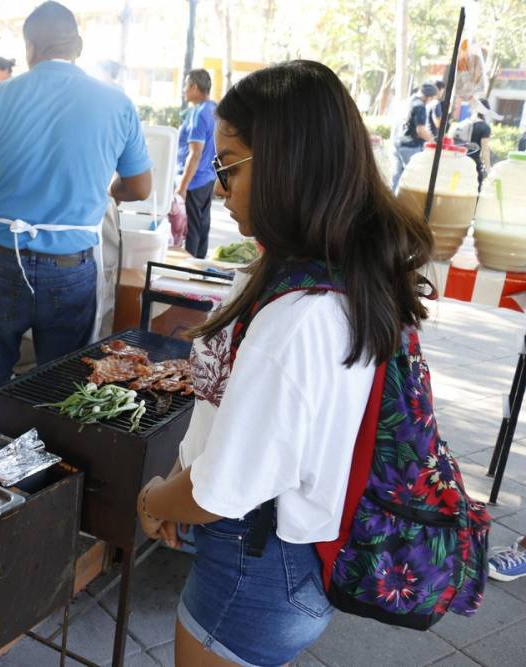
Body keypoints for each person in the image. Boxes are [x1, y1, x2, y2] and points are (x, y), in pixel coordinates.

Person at [136, 60, 435, 666]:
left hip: (254, 565)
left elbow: (222, 489)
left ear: (285, 165)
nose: (219, 188)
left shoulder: (298, 316)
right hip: (285, 560)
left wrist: (156, 500)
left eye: (228, 166)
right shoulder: (336, 269)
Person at [0, 1, 152, 429]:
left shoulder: (0, 96)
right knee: (60, 380)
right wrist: (109, 193)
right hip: (72, 268)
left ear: (29, 47)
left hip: (4, 258)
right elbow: (139, 187)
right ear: (78, 45)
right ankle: (49, 473)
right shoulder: (116, 102)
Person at [175, 69, 216, 258]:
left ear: (194, 87)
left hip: (194, 182)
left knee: (191, 231)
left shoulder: (198, 113)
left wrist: (182, 187)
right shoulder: (214, 109)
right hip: (208, 179)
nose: (183, 90)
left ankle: (188, 274)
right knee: (201, 227)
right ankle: (198, 270)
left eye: (185, 85)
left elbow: (195, 153)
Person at [393, 82, 438, 189]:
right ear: (429, 97)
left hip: (399, 143)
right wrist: (434, 141)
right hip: (411, 146)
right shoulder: (420, 107)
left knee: (396, 177)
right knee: (411, 179)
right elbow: (420, 130)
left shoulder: (410, 101)